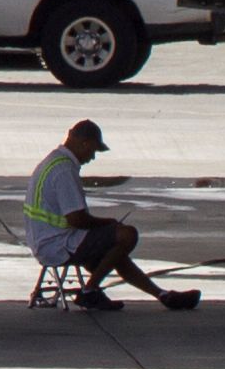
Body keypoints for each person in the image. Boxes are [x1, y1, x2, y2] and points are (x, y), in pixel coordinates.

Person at [21, 119, 198, 305]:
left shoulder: (52, 161)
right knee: (127, 235)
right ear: (84, 143)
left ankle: (162, 295)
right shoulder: (64, 170)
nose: (92, 157)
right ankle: (90, 290)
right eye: (93, 150)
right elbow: (77, 219)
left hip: (46, 241)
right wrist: (108, 223)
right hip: (58, 244)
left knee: (114, 253)